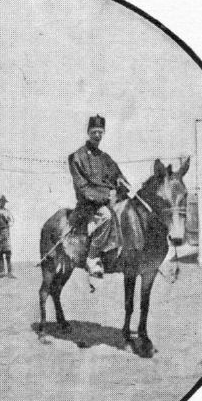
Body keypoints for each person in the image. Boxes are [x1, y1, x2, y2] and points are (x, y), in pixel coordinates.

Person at [68, 115, 129, 284]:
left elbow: (117, 174)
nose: (97, 136)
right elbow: (82, 187)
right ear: (88, 132)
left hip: (108, 200)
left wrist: (121, 181)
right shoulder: (77, 157)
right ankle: (92, 257)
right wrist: (104, 197)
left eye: (100, 132)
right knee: (107, 216)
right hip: (88, 204)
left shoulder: (105, 157)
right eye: (94, 132)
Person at [0, 195, 17, 279]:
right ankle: (1, 271)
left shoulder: (7, 211)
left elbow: (12, 221)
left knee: (8, 253)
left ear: (5, 203)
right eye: (1, 201)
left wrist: (6, 219)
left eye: (4, 202)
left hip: (5, 232)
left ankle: (9, 272)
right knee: (0, 253)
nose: (3, 203)